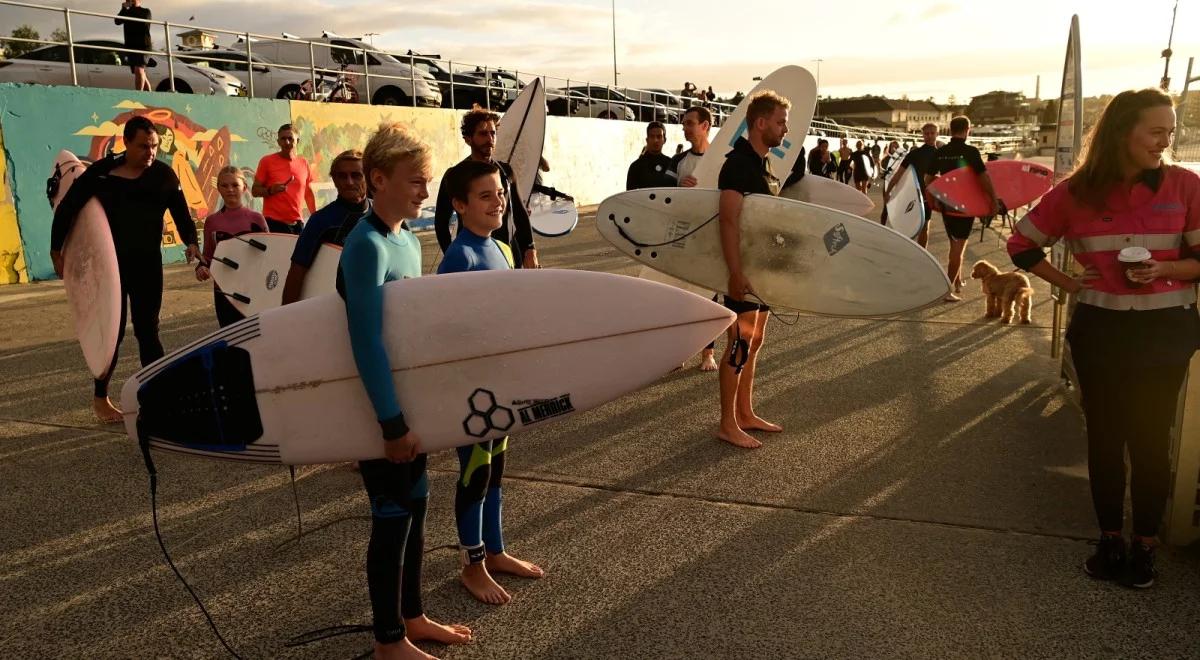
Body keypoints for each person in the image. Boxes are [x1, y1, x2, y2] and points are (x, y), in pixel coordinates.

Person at [1007, 88, 1200, 590]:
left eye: (1170, 131)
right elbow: (1021, 243)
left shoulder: (1185, 186)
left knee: (1153, 440)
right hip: (1102, 331)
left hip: (1165, 331)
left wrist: (1166, 268)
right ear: (1122, 133)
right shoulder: (1074, 194)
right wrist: (1069, 283)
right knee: (1106, 437)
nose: (1166, 140)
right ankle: (1110, 538)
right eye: (1156, 131)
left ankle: (1145, 546)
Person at [339, 122, 472, 659]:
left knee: (417, 506)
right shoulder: (366, 244)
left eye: (427, 181)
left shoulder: (405, 242)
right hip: (380, 408)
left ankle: (412, 617)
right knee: (391, 518)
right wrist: (391, 424)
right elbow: (366, 343)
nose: (424, 192)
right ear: (378, 179)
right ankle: (387, 641)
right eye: (416, 182)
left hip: (410, 403)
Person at [435, 160, 546, 605]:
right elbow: (443, 333)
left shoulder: (500, 250)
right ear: (459, 205)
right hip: (472, 393)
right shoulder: (458, 257)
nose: (497, 200)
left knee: (496, 470)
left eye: (499, 192)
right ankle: (472, 564)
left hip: (500, 386)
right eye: (484, 196)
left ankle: (495, 551)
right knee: (475, 474)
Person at [50, 115, 200, 423]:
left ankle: (158, 399)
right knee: (111, 334)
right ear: (126, 143)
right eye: (144, 146)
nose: (151, 153)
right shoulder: (102, 173)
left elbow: (182, 216)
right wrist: (56, 249)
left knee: (148, 331)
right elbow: (69, 207)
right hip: (108, 268)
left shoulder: (163, 176)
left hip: (146, 265)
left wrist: (192, 244)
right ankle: (101, 398)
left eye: (155, 146)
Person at [716, 90, 789, 449]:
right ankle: (727, 423)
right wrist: (735, 272)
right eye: (780, 122)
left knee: (755, 340)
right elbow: (728, 220)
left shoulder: (764, 164)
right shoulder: (738, 164)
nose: (785, 129)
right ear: (760, 123)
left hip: (762, 272)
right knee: (740, 342)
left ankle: (745, 412)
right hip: (742, 271)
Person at [434, 108, 538, 268]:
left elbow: (519, 213)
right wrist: (452, 253)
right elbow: (441, 221)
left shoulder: (506, 172)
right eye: (483, 134)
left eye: (493, 133)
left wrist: (529, 249)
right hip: (474, 252)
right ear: (468, 139)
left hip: (508, 251)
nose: (490, 139)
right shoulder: (456, 175)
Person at [281, 149, 369, 305]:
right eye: (342, 176)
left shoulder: (384, 215)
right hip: (334, 307)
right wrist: (287, 317)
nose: (349, 182)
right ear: (334, 180)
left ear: (368, 177)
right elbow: (297, 272)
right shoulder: (321, 221)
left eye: (356, 175)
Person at [923, 116, 997, 301]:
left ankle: (955, 281)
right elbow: (983, 178)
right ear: (967, 129)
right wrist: (993, 200)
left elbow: (928, 179)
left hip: (948, 204)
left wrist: (933, 199)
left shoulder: (941, 152)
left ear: (950, 129)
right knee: (959, 248)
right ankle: (946, 290)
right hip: (965, 205)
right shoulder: (971, 151)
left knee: (955, 244)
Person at [670, 105, 719, 372]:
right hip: (684, 239)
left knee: (708, 297)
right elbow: (663, 200)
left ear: (705, 126)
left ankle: (707, 353)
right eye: (684, 123)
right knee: (682, 295)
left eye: (690, 123)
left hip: (711, 241)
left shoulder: (723, 160)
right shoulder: (678, 162)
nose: (685, 128)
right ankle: (680, 351)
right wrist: (678, 189)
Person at [195, 166, 266, 326]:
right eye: (224, 185)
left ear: (245, 187)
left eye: (235, 185)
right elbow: (208, 256)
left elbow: (269, 255)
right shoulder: (212, 222)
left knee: (254, 337)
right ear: (218, 188)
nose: (230, 189)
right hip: (223, 289)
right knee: (230, 339)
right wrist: (201, 269)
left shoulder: (257, 219)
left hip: (252, 288)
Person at [252, 123, 317, 235]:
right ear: (278, 142)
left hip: (297, 224)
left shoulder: (304, 163)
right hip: (273, 223)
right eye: (283, 139)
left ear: (297, 141)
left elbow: (308, 193)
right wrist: (270, 190)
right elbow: (254, 191)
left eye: (290, 138)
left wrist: (316, 218)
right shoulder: (266, 161)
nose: (286, 142)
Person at [884, 123, 940, 248]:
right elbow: (898, 174)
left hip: (928, 196)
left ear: (937, 134)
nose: (930, 136)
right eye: (927, 133)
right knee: (906, 225)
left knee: (924, 226)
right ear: (923, 136)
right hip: (911, 193)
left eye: (932, 133)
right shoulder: (915, 154)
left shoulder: (940, 155)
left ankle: (922, 253)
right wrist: (888, 191)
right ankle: (907, 250)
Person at [115, 0, 152, 91]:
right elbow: (117, 21)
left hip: (143, 47)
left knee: (139, 71)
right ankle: (150, 95)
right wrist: (123, 8)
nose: (130, 1)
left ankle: (138, 96)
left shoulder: (146, 11)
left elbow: (143, 21)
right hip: (131, 47)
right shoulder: (126, 12)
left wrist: (130, 8)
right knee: (140, 73)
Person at [626, 121, 675, 190]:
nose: (655, 140)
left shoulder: (671, 164)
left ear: (664, 140)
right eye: (652, 136)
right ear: (647, 140)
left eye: (659, 136)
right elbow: (630, 195)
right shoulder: (636, 166)